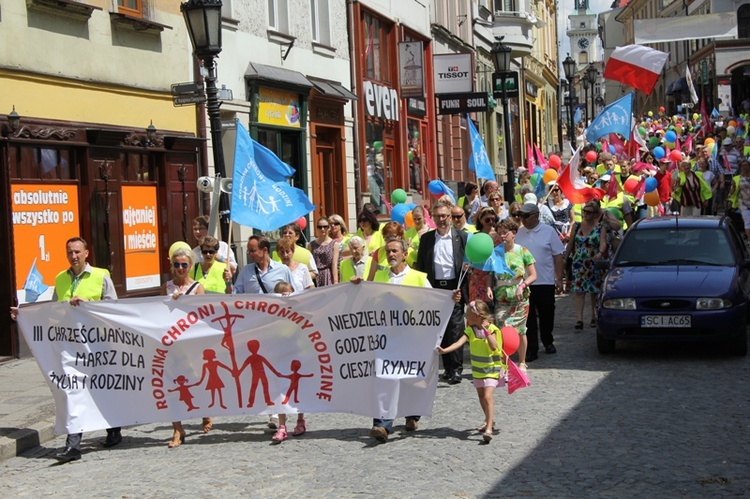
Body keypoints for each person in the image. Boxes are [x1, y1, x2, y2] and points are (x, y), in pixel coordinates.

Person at [10, 237, 120, 462]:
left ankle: (114, 429)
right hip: (70, 347)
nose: (74, 256)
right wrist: (24, 313)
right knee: (73, 391)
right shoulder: (60, 278)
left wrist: (87, 304)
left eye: (78, 252)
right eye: (70, 252)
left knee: (102, 389)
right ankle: (74, 445)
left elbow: (113, 309)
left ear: (86, 253)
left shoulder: (101, 276)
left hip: (96, 344)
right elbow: (53, 310)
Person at [353, 237, 459, 442]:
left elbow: (434, 302)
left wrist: (450, 299)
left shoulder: (418, 278)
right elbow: (367, 299)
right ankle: (382, 424)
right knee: (385, 377)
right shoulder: (380, 277)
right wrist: (357, 286)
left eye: (395, 251)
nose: (391, 254)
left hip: (412, 338)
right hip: (386, 338)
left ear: (404, 254)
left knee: (411, 377)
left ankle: (412, 413)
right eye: (388, 251)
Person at [415, 202, 469, 385]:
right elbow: (421, 266)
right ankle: (446, 368)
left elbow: (469, 262)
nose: (442, 220)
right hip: (435, 287)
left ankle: (456, 369)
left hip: (455, 287)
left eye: (445, 216)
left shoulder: (462, 237)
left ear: (450, 217)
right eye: (438, 216)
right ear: (433, 218)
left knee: (455, 328)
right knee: (439, 329)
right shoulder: (427, 239)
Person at [438, 300, 504, 443]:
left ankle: (489, 429)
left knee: (487, 397)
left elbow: (494, 347)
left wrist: (486, 331)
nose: (466, 317)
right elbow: (458, 343)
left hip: (492, 369)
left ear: (478, 316)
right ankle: (488, 420)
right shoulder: (470, 330)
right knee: (481, 397)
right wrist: (445, 351)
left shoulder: (493, 329)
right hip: (478, 371)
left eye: (468, 314)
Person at [162, 246, 206, 448]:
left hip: (191, 343)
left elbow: (202, 315)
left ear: (190, 265)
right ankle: (177, 429)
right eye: (176, 264)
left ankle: (205, 412)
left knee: (197, 381)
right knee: (172, 385)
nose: (180, 268)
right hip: (172, 344)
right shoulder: (167, 287)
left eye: (184, 265)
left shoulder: (197, 287)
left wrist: (185, 302)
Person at [514, 202, 565, 363]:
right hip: (525, 282)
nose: (522, 219)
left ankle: (547, 340)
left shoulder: (548, 232)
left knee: (547, 314)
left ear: (536, 216)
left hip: (545, 280)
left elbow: (558, 256)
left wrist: (559, 278)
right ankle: (532, 349)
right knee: (528, 318)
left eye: (525, 216)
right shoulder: (518, 233)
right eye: (520, 216)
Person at [492, 219, 537, 373]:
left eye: (506, 232)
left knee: (520, 330)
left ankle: (522, 361)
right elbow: (489, 273)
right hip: (502, 298)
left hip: (520, 299)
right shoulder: (496, 252)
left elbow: (533, 275)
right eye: (500, 233)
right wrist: (487, 287)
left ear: (514, 233)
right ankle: (504, 362)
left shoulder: (523, 251)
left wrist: (522, 285)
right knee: (502, 329)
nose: (503, 236)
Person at [270, 281, 308, 442]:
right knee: (280, 391)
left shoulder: (301, 312)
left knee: (299, 391)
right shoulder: (271, 316)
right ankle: (282, 426)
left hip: (298, 355)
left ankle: (301, 420)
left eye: (289, 295)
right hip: (280, 355)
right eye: (282, 296)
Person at [564, 199, 611, 330]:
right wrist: (565, 259)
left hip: (594, 262)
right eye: (585, 211)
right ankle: (579, 319)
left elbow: (603, 242)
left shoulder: (600, 227)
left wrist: (601, 252)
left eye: (589, 212)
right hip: (579, 263)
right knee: (579, 291)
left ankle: (593, 316)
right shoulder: (577, 226)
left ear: (595, 214)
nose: (586, 214)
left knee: (594, 291)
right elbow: (571, 244)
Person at [309, 216, 340, 287]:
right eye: (320, 227)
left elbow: (334, 264)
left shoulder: (334, 244)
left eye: (325, 227)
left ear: (329, 228)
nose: (322, 229)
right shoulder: (311, 245)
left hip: (328, 275)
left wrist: (335, 281)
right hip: (315, 275)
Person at [728, 159, 750, 240]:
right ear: (740, 167)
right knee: (747, 222)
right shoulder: (736, 178)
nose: (745, 167)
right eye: (743, 166)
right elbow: (731, 193)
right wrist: (733, 186)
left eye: (746, 165)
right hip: (743, 203)